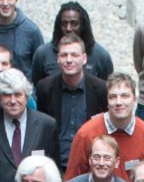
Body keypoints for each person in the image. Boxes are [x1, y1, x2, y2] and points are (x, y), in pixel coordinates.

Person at [65, 73, 144, 181]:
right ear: (107, 101)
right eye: (113, 97)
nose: (118, 102)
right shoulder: (86, 134)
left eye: (124, 96)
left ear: (134, 100)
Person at [35, 32, 109, 170]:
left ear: (84, 58)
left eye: (74, 55)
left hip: (90, 167)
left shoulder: (101, 89)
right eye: (64, 55)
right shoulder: (45, 87)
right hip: (56, 166)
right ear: (58, 59)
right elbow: (42, 129)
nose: (69, 60)